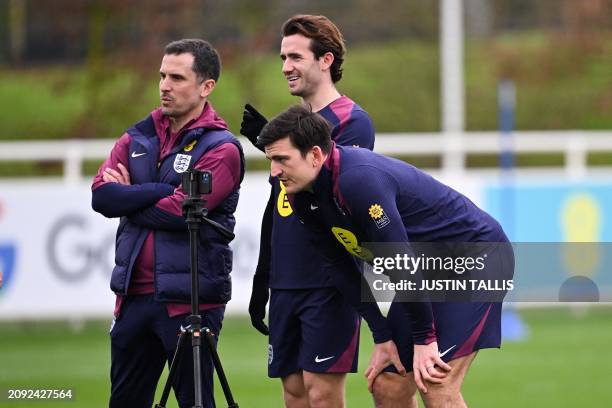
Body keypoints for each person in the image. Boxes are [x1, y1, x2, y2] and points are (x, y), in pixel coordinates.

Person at [257, 105, 514, 408]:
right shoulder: (303, 197)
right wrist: (382, 336)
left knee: (434, 381)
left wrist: (425, 339)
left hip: (475, 256)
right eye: (270, 160)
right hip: (423, 270)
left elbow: (400, 263)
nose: (274, 172)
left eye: (281, 159)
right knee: (388, 384)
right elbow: (340, 267)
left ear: (315, 155)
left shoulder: (358, 181)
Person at [240, 14, 401, 407]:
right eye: (282, 57)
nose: (285, 67)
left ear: (326, 60)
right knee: (294, 393)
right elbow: (277, 205)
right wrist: (264, 276)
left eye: (295, 56)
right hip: (286, 278)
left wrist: (273, 146)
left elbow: (333, 197)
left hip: (328, 279)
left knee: (322, 393)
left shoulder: (352, 121)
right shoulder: (291, 127)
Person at [91, 39, 244, 408]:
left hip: (188, 302)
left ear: (206, 87)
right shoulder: (137, 135)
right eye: (162, 75)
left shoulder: (221, 147)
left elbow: (181, 213)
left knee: (195, 403)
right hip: (132, 299)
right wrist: (159, 190)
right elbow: (101, 197)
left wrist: (131, 197)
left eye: (177, 77)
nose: (164, 85)